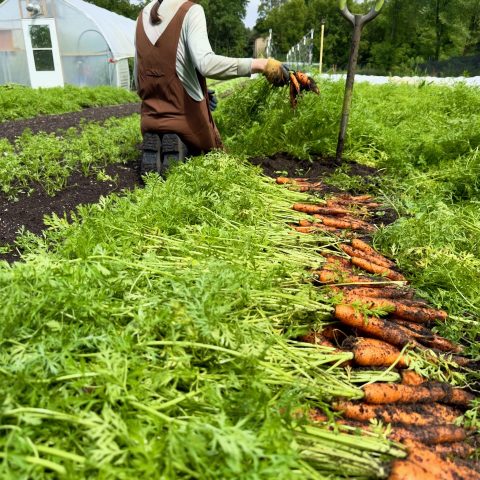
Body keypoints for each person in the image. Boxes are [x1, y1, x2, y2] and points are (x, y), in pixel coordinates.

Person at [135, 0, 289, 175]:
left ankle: (157, 139)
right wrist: (261, 64)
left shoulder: (142, 15)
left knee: (167, 128)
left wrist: (192, 89)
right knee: (209, 153)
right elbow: (206, 64)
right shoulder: (191, 11)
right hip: (183, 119)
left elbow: (139, 78)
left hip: (150, 118)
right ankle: (182, 144)